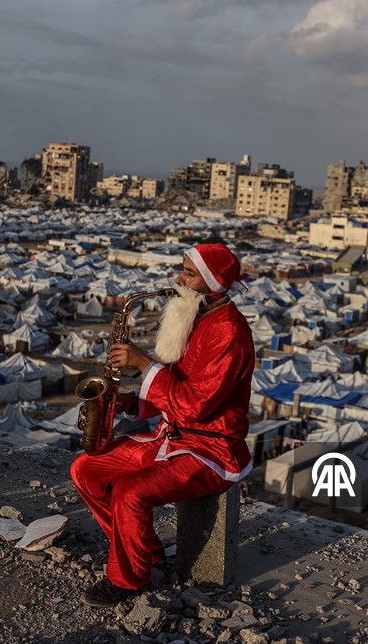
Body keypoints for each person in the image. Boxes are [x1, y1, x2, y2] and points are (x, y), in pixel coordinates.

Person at [70, 243, 254, 607]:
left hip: (210, 450)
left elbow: (195, 405)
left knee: (130, 491)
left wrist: (143, 364)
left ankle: (129, 579)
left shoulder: (229, 333)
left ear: (213, 282)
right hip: (170, 437)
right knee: (86, 469)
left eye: (188, 273)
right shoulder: (196, 315)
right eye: (181, 269)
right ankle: (146, 552)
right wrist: (133, 402)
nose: (177, 278)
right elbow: (176, 384)